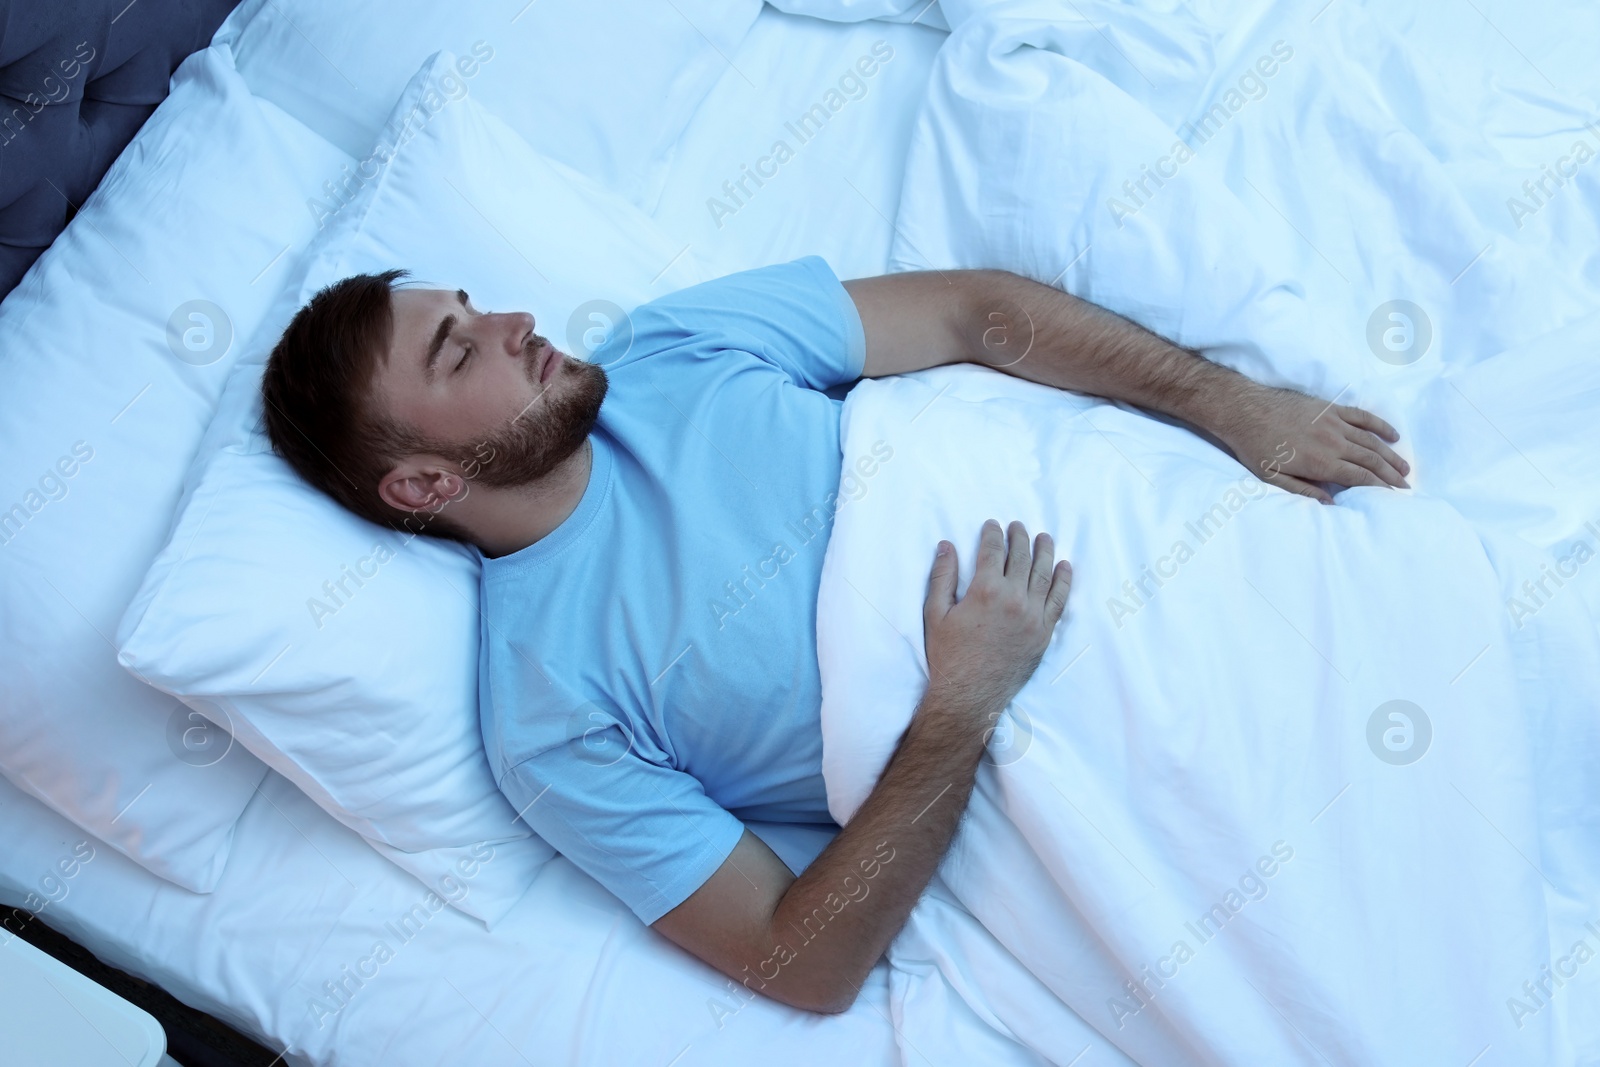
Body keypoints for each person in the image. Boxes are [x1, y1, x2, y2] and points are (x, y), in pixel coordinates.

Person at [261, 257, 1408, 1013]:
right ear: (417, 484)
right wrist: (960, 703)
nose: (513, 322)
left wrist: (1232, 405)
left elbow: (970, 311)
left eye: (473, 306)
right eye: (459, 351)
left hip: (1185, 546)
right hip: (1093, 739)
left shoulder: (674, 347)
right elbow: (796, 958)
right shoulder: (550, 713)